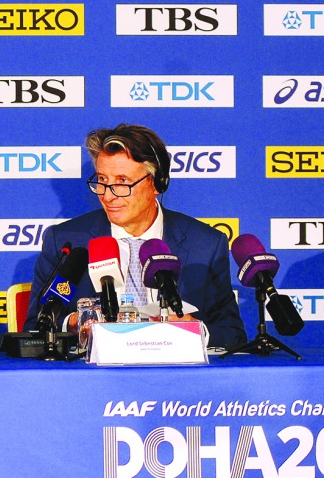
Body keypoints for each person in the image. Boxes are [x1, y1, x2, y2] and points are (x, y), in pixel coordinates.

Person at [26, 124, 246, 349]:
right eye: (102, 180)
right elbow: (33, 327)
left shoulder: (205, 244)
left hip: (178, 378)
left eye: (122, 182)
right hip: (93, 378)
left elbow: (233, 334)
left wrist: (195, 329)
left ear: (157, 182)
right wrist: (70, 324)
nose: (108, 195)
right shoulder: (65, 241)